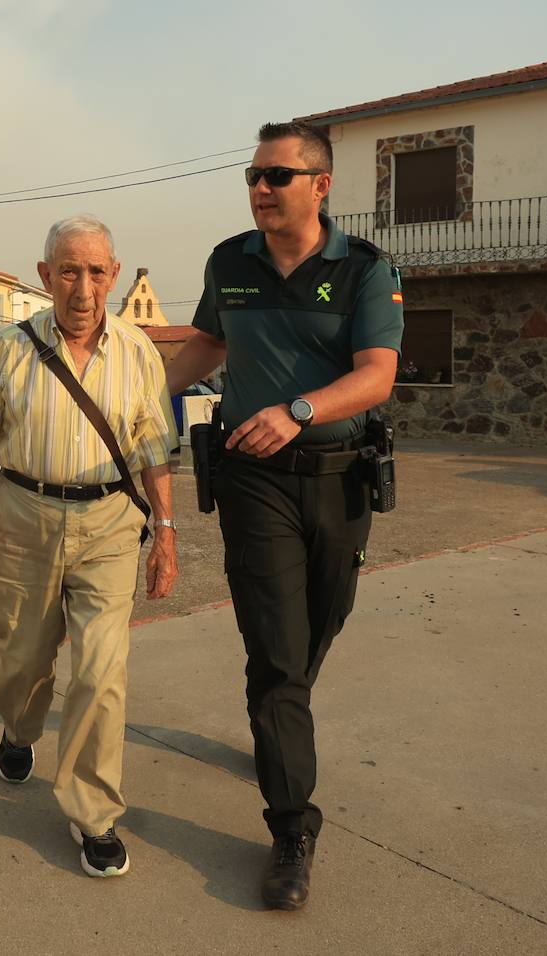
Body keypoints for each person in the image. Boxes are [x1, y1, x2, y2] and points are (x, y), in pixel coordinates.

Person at [166, 121, 404, 910]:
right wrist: (134, 389)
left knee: (315, 631)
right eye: (253, 175)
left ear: (320, 186)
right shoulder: (228, 261)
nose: (261, 189)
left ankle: (279, 728)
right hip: (253, 480)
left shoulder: (366, 270)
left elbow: (376, 376)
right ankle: (292, 827)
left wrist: (300, 408)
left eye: (277, 176)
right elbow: (207, 344)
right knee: (273, 652)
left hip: (340, 481)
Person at [0, 215, 178, 878]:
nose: (83, 287)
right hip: (22, 518)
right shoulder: (10, 348)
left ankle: (93, 813)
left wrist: (165, 533)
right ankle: (20, 731)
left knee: (102, 670)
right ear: (47, 276)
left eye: (96, 271)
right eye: (69, 271)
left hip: (109, 523)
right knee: (26, 660)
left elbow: (155, 452)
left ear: (113, 274)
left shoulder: (139, 351)